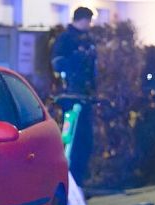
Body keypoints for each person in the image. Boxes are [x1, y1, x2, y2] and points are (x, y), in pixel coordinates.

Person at [51, 7, 97, 186]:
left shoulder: (87, 40)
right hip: (71, 98)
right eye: (89, 21)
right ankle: (69, 181)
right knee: (72, 141)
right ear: (82, 19)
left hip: (84, 97)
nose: (90, 25)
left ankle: (78, 181)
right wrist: (74, 64)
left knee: (85, 141)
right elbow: (57, 64)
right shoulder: (66, 39)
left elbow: (92, 68)